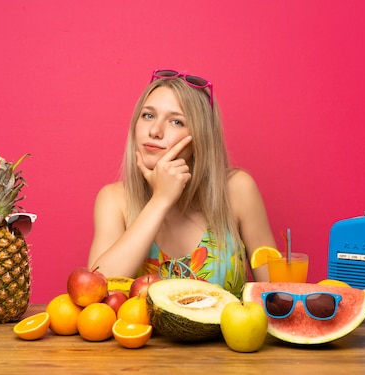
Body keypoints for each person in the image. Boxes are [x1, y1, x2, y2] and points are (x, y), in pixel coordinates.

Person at [87, 69, 277, 297]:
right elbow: (95, 291)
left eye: (176, 121)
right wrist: (160, 200)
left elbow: (276, 296)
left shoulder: (238, 189)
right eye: (148, 115)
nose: (155, 131)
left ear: (200, 138)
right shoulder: (114, 199)